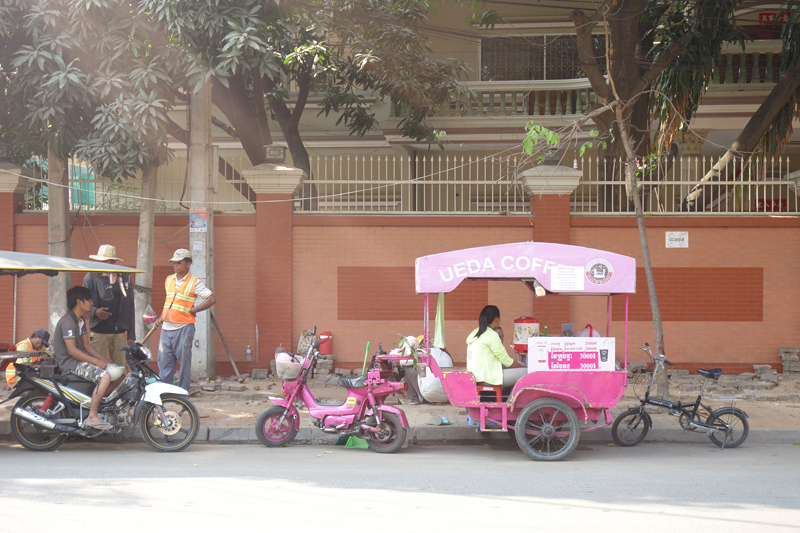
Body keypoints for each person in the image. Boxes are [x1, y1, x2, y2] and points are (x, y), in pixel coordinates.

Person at [154, 249, 216, 392]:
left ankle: (182, 393)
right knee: (164, 362)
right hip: (166, 328)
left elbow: (211, 299)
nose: (176, 265)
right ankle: (166, 392)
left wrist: (194, 310)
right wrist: (161, 317)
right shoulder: (169, 279)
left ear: (188, 264)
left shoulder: (195, 282)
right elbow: (169, 302)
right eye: (174, 262)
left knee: (184, 364)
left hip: (184, 328)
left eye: (179, 262)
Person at [53, 286, 112, 430]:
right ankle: (92, 416)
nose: (92, 303)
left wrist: (105, 361)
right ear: (79, 301)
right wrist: (96, 362)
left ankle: (103, 407)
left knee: (119, 375)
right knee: (105, 377)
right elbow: (72, 350)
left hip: (79, 362)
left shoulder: (79, 320)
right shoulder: (68, 322)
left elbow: (87, 346)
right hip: (71, 364)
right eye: (89, 300)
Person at [83, 244, 135, 369]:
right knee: (96, 368)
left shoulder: (125, 278)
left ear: (114, 261)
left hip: (119, 332)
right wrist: (95, 312)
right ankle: (98, 389)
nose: (107, 263)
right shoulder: (90, 276)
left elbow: (130, 306)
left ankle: (118, 389)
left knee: (121, 368)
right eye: (104, 261)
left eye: (110, 260)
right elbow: (83, 300)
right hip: (98, 331)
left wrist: (131, 334)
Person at [466, 305, 526, 387]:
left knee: (519, 364)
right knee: (527, 372)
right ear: (496, 319)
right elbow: (507, 362)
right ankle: (511, 399)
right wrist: (525, 367)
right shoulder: (491, 334)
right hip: (488, 378)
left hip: (475, 375)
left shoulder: (475, 332)